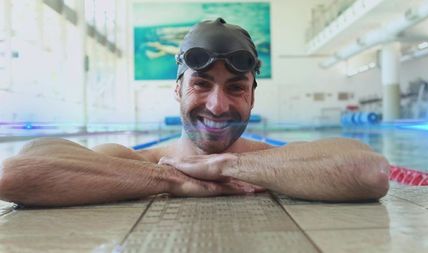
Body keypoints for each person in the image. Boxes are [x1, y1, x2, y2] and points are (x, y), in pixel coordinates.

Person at [0, 18, 389, 207]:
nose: (218, 106)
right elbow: (13, 174)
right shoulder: (134, 161)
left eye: (236, 87)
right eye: (201, 84)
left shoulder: (269, 160)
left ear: (252, 97)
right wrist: (169, 179)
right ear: (177, 90)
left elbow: (370, 171)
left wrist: (227, 167)